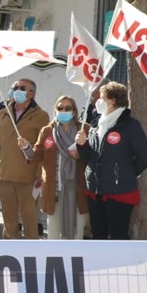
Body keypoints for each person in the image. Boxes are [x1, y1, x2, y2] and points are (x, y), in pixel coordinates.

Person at [76, 81, 147, 240]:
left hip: (120, 192)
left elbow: (145, 157)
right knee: (98, 234)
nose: (97, 101)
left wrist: (126, 172)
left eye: (101, 98)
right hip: (95, 190)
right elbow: (89, 157)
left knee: (118, 235)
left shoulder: (129, 125)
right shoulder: (96, 123)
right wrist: (82, 145)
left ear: (113, 100)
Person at [0, 78, 50, 239]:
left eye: (21, 87)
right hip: (4, 173)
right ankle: (10, 251)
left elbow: (43, 147)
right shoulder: (4, 113)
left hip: (27, 175)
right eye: (14, 87)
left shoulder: (41, 116)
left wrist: (39, 174)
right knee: (8, 218)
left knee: (29, 217)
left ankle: (31, 253)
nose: (16, 90)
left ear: (31, 93)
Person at [33, 96, 89, 240]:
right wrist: (25, 147)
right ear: (55, 110)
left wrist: (81, 151)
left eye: (67, 108)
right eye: (60, 108)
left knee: (77, 234)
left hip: (77, 190)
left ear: (74, 111)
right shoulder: (47, 131)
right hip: (54, 190)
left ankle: (74, 260)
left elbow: (94, 157)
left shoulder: (84, 130)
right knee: (53, 234)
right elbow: (35, 156)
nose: (63, 111)